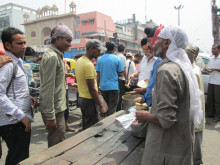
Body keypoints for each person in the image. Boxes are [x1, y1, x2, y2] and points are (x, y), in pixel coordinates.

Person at [135, 26, 203, 165]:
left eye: (158, 39)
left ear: (166, 43)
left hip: (166, 150)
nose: (152, 44)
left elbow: (165, 120)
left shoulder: (166, 71)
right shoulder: (181, 67)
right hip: (179, 146)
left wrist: (144, 116)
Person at [0, 27, 37, 165]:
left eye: (24, 43)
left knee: (20, 155)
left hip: (17, 120)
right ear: (8, 45)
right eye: (19, 43)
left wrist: (28, 98)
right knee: (17, 158)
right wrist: (21, 116)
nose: (24, 47)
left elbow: (13, 89)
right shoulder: (8, 64)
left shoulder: (17, 62)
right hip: (13, 122)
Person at [39, 23, 73, 147]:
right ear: (58, 38)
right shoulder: (52, 57)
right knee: (57, 145)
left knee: (60, 140)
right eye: (68, 40)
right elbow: (48, 88)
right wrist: (50, 116)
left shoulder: (58, 55)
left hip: (58, 107)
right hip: (54, 109)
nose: (70, 44)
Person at [75, 39, 107, 130]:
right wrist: (101, 106)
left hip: (81, 98)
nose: (99, 53)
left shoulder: (79, 61)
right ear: (92, 49)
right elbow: (92, 88)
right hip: (89, 100)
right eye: (98, 50)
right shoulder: (88, 64)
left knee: (86, 125)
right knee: (91, 129)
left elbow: (78, 80)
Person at [132, 25, 163, 106]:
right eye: (144, 50)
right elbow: (139, 72)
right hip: (145, 93)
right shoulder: (144, 59)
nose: (149, 45)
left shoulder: (159, 62)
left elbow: (157, 87)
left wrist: (144, 96)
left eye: (150, 41)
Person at [186, 46, 205, 165]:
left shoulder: (193, 72)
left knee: (196, 138)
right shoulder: (194, 69)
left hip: (195, 111)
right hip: (196, 111)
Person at [96, 42, 124, 116]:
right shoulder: (117, 59)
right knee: (112, 107)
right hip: (113, 86)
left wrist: (97, 86)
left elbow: (98, 74)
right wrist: (114, 73)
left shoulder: (99, 59)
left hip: (103, 87)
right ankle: (109, 123)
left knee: (108, 105)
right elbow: (121, 73)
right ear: (114, 49)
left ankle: (107, 119)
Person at [204, 44, 220, 122]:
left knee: (217, 101)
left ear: (218, 50)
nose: (212, 50)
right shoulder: (212, 59)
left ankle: (218, 116)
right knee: (210, 98)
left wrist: (215, 69)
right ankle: (210, 113)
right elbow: (209, 68)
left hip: (218, 83)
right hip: (211, 81)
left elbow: (213, 69)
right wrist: (207, 69)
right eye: (212, 49)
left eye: (214, 49)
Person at [63, 59, 75, 132]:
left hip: (64, 87)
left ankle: (66, 125)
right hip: (57, 89)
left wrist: (68, 73)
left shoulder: (65, 64)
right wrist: (66, 74)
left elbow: (68, 72)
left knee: (66, 108)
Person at [115, 44, 127, 111]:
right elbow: (124, 68)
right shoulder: (122, 57)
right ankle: (120, 109)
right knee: (121, 94)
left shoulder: (115, 56)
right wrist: (126, 78)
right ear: (124, 50)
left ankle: (117, 108)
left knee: (117, 94)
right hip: (121, 78)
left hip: (115, 78)